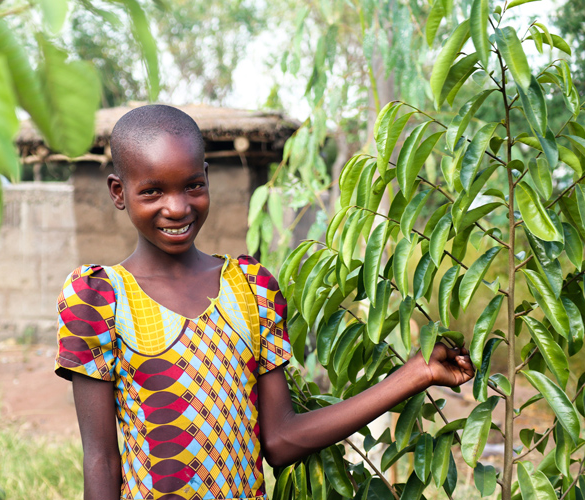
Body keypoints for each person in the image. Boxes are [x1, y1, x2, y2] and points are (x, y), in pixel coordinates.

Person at [54, 104, 475, 500]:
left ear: (207, 177)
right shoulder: (99, 300)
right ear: (118, 191)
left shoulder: (250, 290)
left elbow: (281, 439)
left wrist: (417, 373)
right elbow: (101, 459)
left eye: (193, 186)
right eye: (152, 192)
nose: (177, 207)